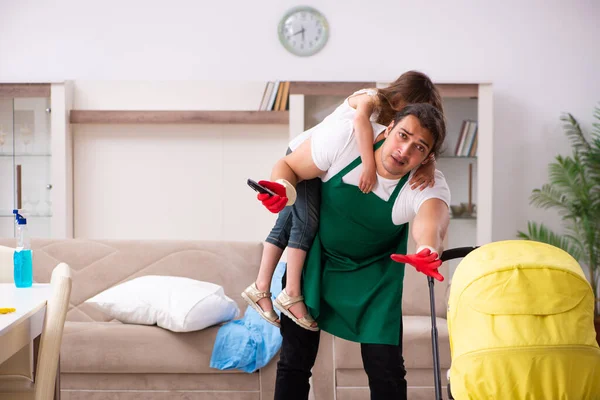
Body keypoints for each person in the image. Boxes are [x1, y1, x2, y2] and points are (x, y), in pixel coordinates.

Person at [259, 102, 450, 399]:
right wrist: (281, 187)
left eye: (419, 148)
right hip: (315, 265)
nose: (405, 150)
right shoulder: (345, 140)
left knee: (386, 369)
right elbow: (290, 166)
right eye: (403, 135)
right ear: (388, 129)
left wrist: (428, 248)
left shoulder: (426, 182)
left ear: (427, 158)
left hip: (374, 279)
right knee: (294, 363)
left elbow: (432, 218)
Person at [241, 71, 444, 331]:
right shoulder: (371, 99)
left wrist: (429, 164)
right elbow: (361, 122)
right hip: (306, 153)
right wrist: (368, 166)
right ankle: (288, 291)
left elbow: (420, 141)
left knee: (287, 224)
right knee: (305, 223)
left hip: (323, 162)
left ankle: (261, 287)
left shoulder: (392, 124)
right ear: (400, 98)